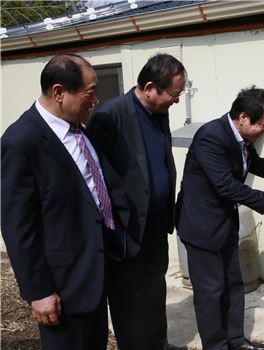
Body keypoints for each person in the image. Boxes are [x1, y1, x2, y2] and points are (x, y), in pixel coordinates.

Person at [1, 54, 128, 349]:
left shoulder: (77, 128)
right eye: (90, 91)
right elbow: (18, 227)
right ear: (59, 93)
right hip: (62, 288)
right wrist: (38, 291)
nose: (96, 99)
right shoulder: (21, 141)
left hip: (93, 273)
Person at [177, 86, 264, 350]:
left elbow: (255, 164)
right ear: (243, 117)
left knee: (233, 285)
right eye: (263, 123)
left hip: (224, 224)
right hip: (201, 227)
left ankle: (236, 340)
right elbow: (226, 185)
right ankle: (216, 345)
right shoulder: (211, 136)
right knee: (210, 293)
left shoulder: (241, 140)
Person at [87, 53, 186, 350]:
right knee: (129, 298)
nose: (177, 101)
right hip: (126, 227)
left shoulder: (159, 111)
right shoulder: (110, 115)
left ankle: (158, 343)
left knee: (154, 291)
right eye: (175, 94)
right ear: (151, 87)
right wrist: (113, 234)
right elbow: (96, 180)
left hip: (155, 223)